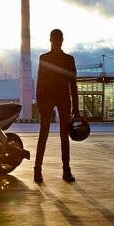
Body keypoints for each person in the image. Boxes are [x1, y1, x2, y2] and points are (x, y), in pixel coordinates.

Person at [34, 29, 80, 183]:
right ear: (50, 40)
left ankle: (66, 170)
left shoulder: (69, 59)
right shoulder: (44, 57)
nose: (57, 41)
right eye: (55, 39)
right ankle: (37, 170)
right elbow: (39, 82)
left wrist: (76, 109)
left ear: (62, 40)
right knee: (43, 134)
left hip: (64, 99)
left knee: (64, 136)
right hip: (47, 99)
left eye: (59, 39)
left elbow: (73, 84)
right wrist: (39, 103)